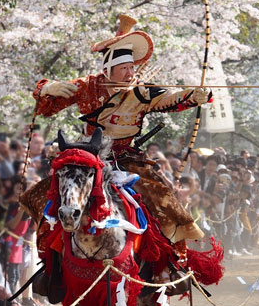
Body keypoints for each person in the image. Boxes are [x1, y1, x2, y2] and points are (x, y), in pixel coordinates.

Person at [29, 14, 212, 244]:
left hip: (126, 157)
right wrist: (48, 88)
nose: (130, 73)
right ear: (108, 68)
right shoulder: (88, 87)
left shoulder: (141, 92)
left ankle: (168, 259)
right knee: (49, 194)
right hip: (88, 155)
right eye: (123, 68)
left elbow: (170, 98)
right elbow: (44, 106)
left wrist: (194, 96)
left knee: (161, 196)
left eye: (131, 67)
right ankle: (51, 257)